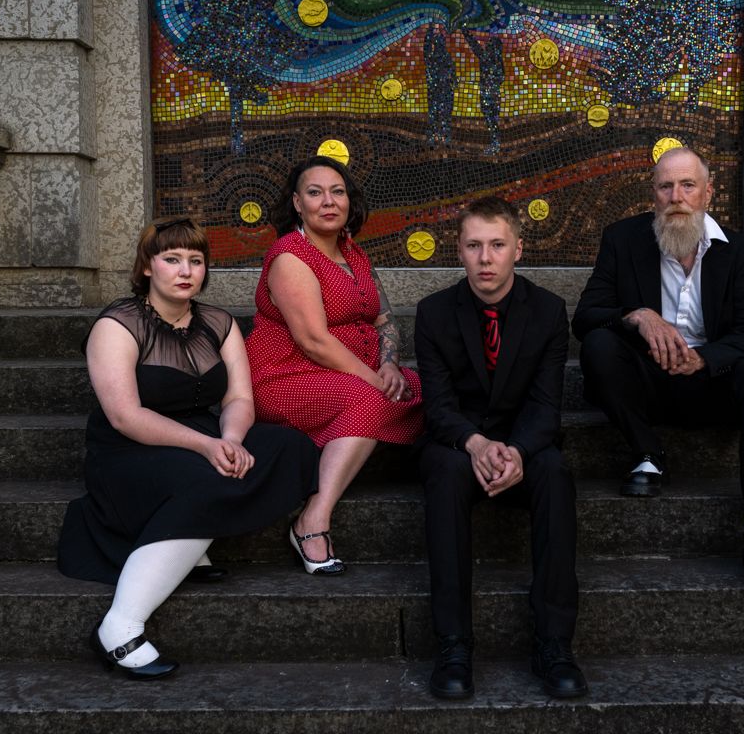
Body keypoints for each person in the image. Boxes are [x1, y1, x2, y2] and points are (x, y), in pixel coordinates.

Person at [57, 217, 319, 680]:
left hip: (207, 435)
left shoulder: (218, 322)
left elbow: (239, 399)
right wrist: (206, 446)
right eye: (172, 259)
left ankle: (188, 537)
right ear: (146, 267)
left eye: (196, 261)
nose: (186, 271)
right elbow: (125, 416)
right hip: (130, 449)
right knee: (207, 476)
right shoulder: (117, 325)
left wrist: (231, 439)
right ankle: (119, 626)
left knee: (289, 446)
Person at [572, 147, 744, 588]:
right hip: (647, 383)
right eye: (666, 186)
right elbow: (585, 317)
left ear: (708, 193)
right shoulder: (622, 239)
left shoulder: (738, 252)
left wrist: (704, 358)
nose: (677, 197)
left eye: (688, 185)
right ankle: (647, 454)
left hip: (709, 383)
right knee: (598, 344)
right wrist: (637, 315)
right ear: (653, 194)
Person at [414, 197, 586, 700]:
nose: (485, 258)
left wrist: (517, 452)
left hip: (523, 444)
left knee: (555, 474)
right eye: (473, 246)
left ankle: (554, 644)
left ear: (518, 250)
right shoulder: (433, 313)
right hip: (458, 443)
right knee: (446, 474)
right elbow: (438, 406)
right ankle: (453, 646)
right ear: (459, 252)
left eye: (496, 245)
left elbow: (545, 405)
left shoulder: (549, 311)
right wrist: (475, 443)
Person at [246, 155, 423, 575]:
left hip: (350, 374)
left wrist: (390, 365)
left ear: (349, 201)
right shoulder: (290, 257)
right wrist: (374, 381)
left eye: (337, 192)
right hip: (285, 377)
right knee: (373, 401)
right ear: (297, 203)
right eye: (315, 192)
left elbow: (383, 318)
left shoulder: (353, 252)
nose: (328, 201)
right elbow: (314, 341)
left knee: (422, 389)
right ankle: (313, 519)